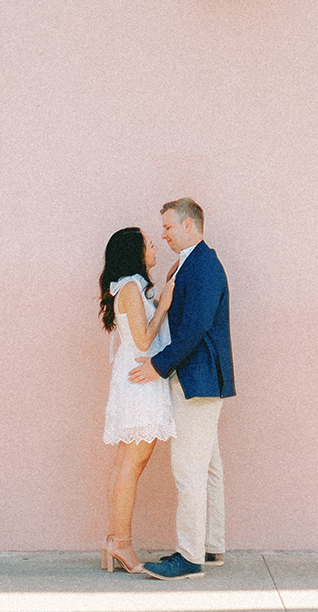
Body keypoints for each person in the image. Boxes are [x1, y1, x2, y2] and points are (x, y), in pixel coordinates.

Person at [128, 198, 234, 579]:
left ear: (189, 226)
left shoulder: (204, 265)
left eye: (169, 227)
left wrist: (157, 366)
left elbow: (195, 328)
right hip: (201, 379)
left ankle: (189, 558)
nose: (164, 234)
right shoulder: (191, 263)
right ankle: (211, 546)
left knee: (188, 470)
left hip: (198, 380)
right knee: (208, 468)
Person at [98, 226, 176, 574]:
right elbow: (144, 341)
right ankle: (120, 544)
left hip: (136, 379)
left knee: (127, 465)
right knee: (131, 466)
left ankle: (115, 541)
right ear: (134, 252)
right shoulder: (130, 286)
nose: (154, 245)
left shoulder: (131, 286)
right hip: (139, 380)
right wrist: (165, 306)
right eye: (148, 242)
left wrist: (160, 295)